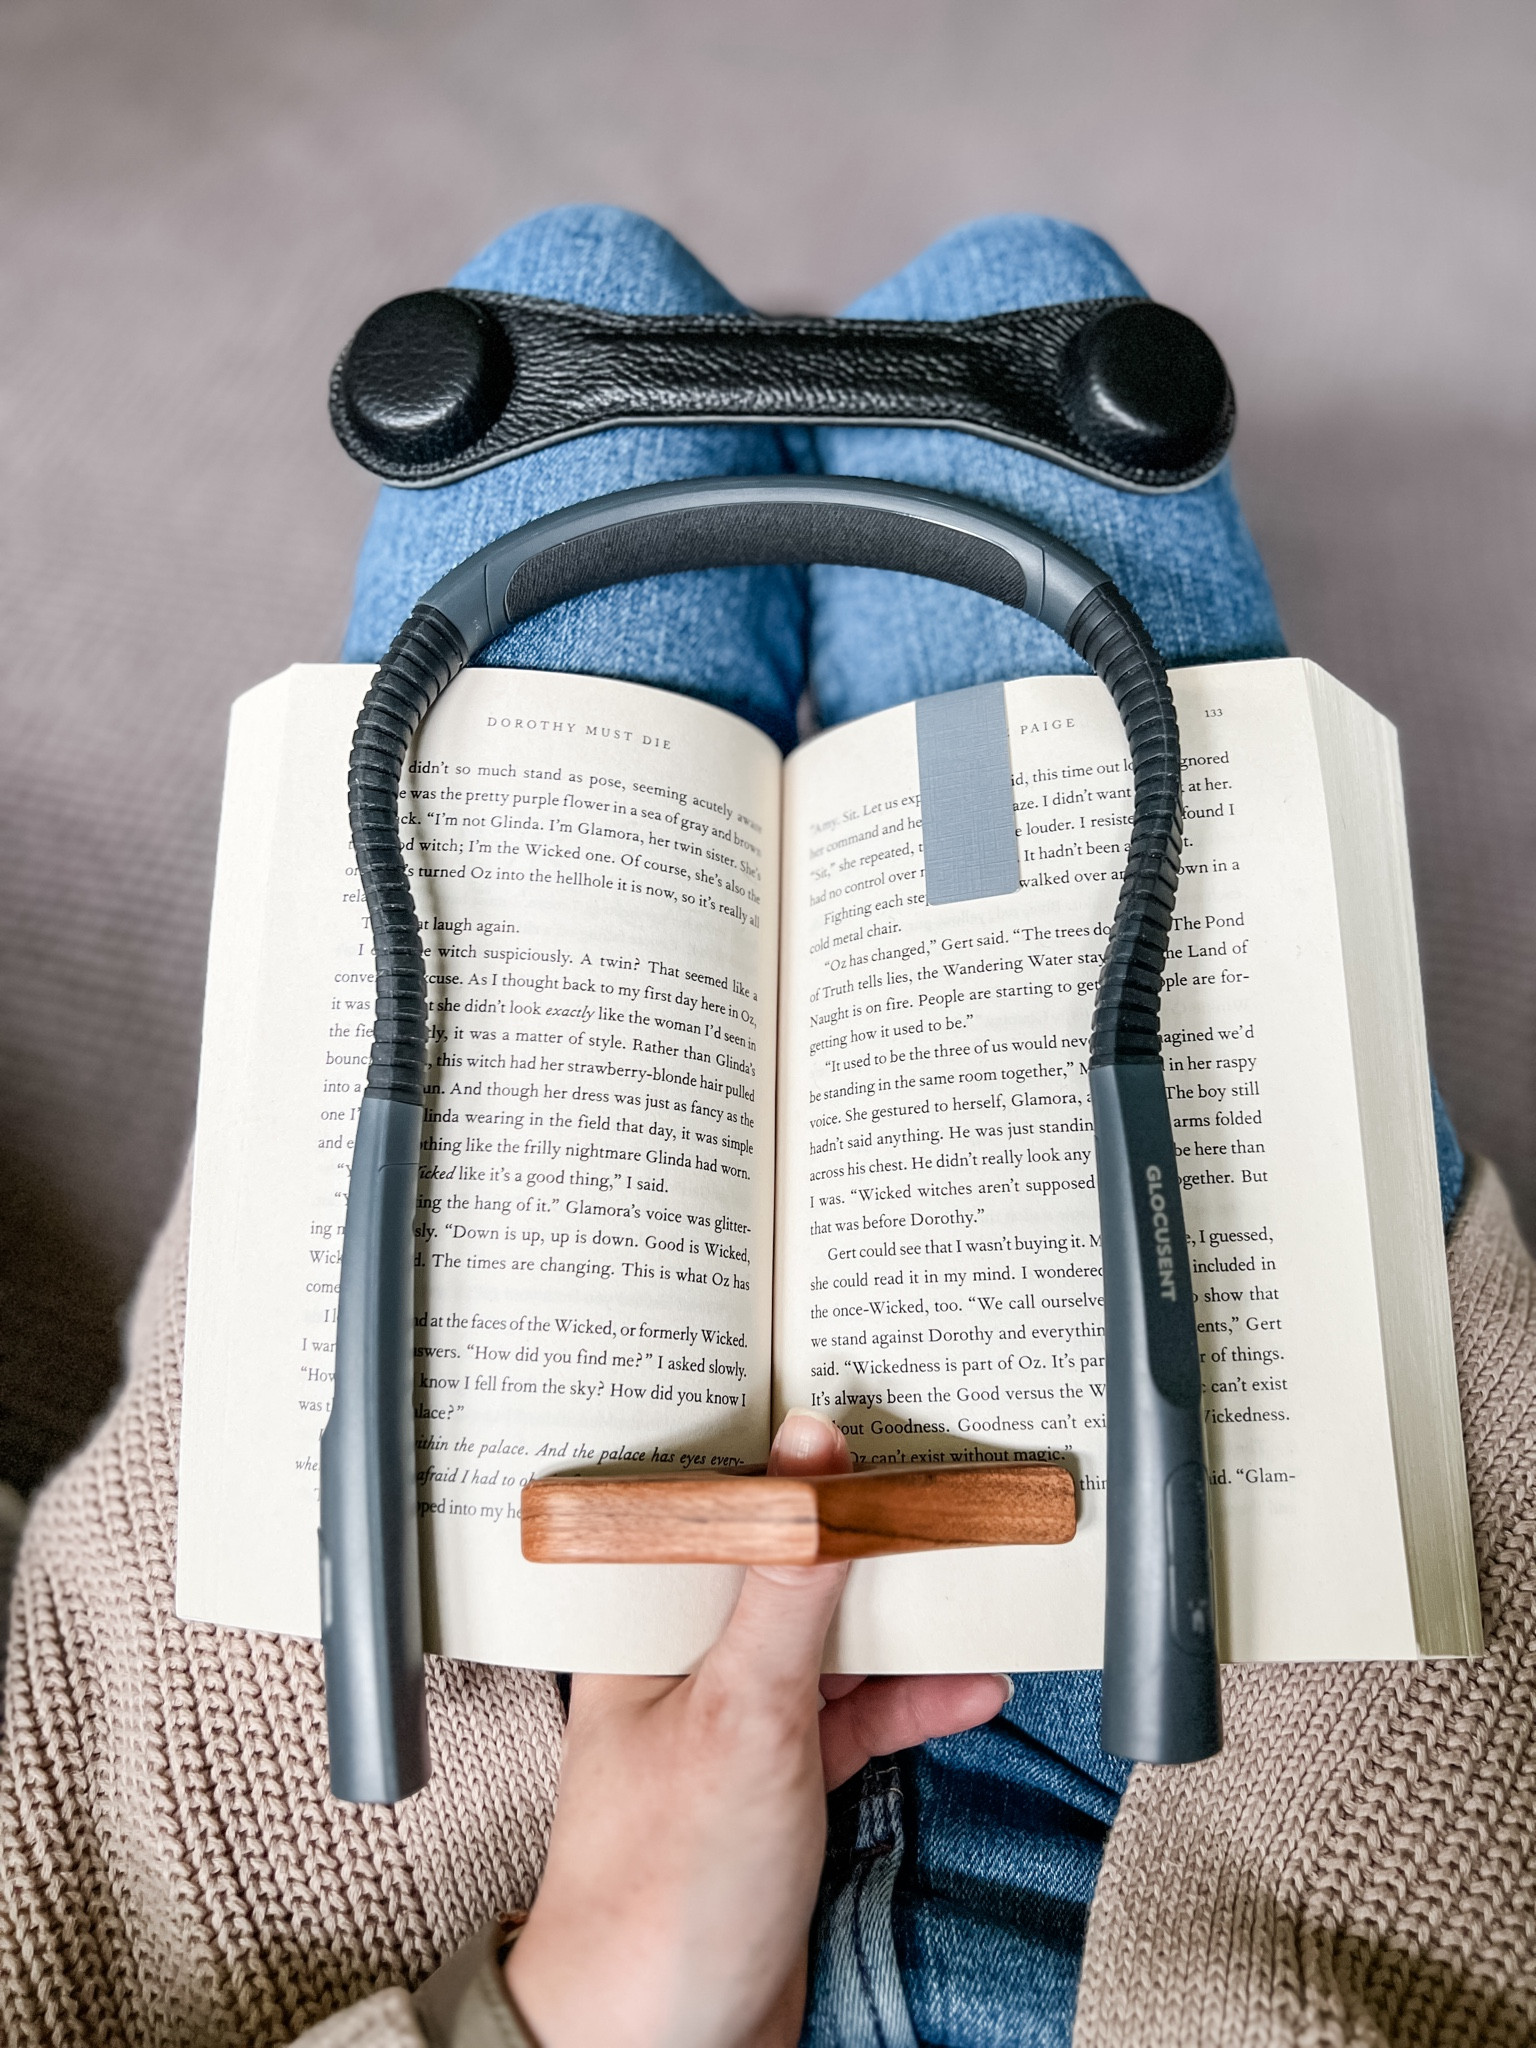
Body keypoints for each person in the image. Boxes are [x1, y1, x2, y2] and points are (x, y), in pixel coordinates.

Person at [2, 209, 1529, 2048]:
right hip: (1208, 1647)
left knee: (580, 318)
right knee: (1012, 325)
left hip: (460, 1698)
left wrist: (567, 2009)